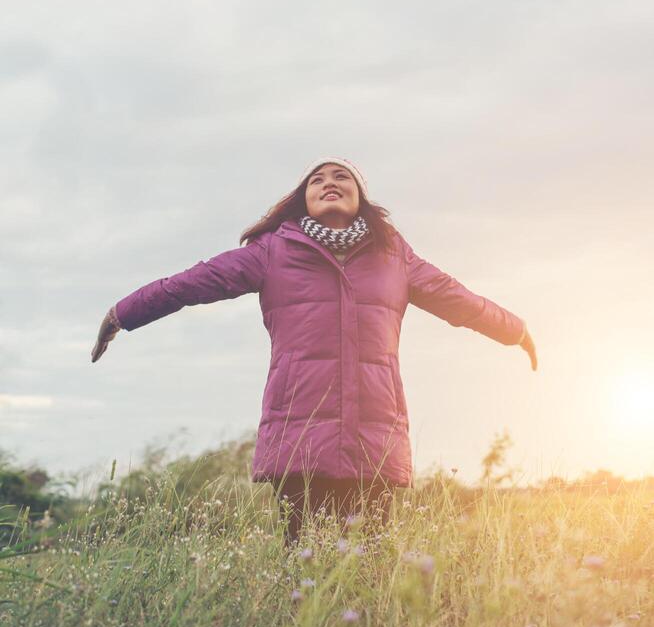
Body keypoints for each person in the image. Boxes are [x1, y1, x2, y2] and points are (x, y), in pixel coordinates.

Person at [92, 157, 537, 544]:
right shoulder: (272, 253)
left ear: (359, 197)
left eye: (342, 176)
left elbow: (458, 299)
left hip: (373, 435)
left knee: (370, 567)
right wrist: (122, 314)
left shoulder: (394, 256)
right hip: (298, 432)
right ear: (302, 199)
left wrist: (515, 331)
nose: (329, 182)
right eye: (316, 179)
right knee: (303, 567)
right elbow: (190, 284)